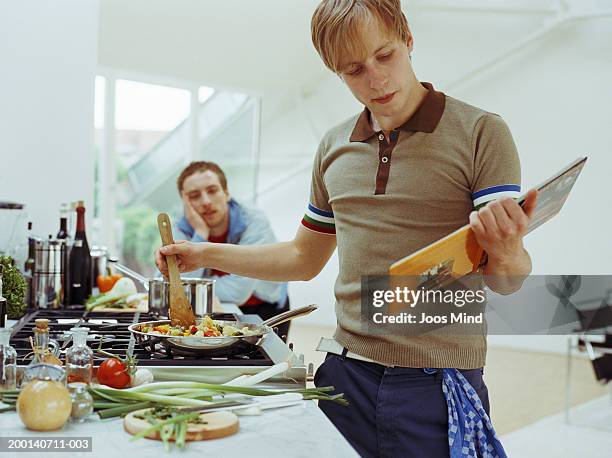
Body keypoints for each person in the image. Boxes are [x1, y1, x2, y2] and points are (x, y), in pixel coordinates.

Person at [156, 1, 539, 456]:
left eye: (385, 55)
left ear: (408, 39)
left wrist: (509, 248)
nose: (375, 79)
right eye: (354, 69)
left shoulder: (482, 132)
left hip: (435, 386)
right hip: (342, 377)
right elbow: (303, 259)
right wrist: (204, 255)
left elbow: (508, 281)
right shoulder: (333, 147)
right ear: (335, 71)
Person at [173, 161, 290, 340]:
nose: (206, 202)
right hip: (210, 312)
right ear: (185, 203)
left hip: (263, 309)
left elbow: (237, 293)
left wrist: (195, 286)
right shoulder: (181, 228)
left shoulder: (253, 222)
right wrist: (200, 235)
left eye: (212, 190)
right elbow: (172, 288)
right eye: (195, 196)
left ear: (226, 192)